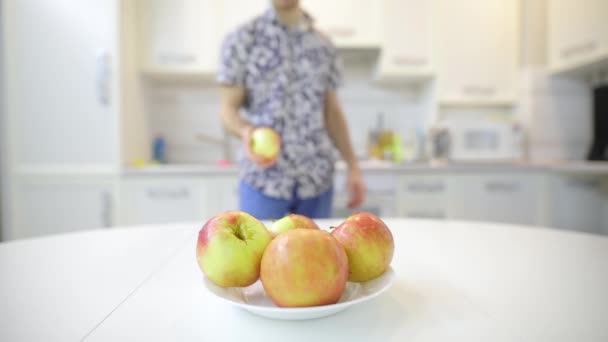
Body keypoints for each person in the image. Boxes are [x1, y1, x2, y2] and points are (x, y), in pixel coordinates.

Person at [218, 0, 365, 219]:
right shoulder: (241, 40)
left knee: (318, 254)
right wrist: (245, 131)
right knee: (260, 252)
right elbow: (228, 109)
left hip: (317, 180)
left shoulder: (324, 45)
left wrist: (353, 166)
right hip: (263, 181)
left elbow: (332, 113)